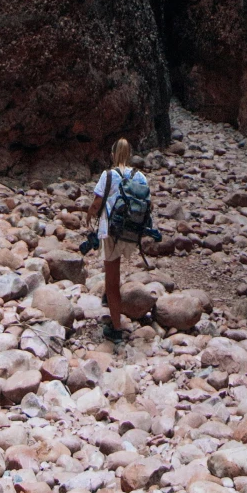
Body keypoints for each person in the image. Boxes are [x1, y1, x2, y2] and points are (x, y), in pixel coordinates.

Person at [92, 136, 135, 340]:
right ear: (130, 155)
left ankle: (116, 329)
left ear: (112, 154)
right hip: (131, 232)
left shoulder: (108, 175)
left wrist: (89, 215)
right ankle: (109, 301)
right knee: (115, 271)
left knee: (112, 280)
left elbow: (97, 201)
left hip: (111, 232)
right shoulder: (139, 176)